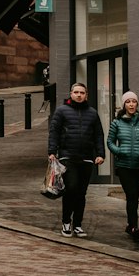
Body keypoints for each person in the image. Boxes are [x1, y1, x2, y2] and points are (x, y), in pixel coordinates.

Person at [48, 79, 105, 238]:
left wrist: (100, 154)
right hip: (67, 157)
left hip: (86, 159)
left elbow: (98, 135)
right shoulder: (61, 111)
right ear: (71, 94)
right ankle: (66, 222)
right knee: (71, 188)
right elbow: (54, 132)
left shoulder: (92, 113)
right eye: (76, 92)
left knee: (81, 193)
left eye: (82, 93)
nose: (79, 95)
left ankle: (78, 225)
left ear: (86, 95)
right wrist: (52, 151)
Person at [107, 91, 139, 243]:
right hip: (124, 166)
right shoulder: (117, 123)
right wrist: (119, 151)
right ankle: (134, 226)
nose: (131, 104)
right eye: (128, 102)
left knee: (134, 196)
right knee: (131, 195)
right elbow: (110, 142)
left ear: (136, 104)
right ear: (124, 104)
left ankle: (130, 225)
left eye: (133, 102)